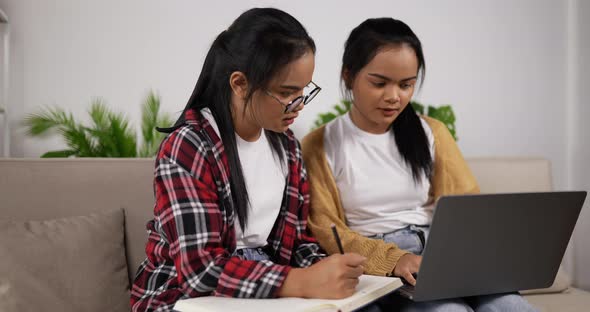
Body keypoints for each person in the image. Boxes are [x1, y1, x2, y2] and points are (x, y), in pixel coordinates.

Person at [130, 8, 365, 312]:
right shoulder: (188, 147)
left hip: (267, 284)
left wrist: (330, 269)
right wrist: (302, 281)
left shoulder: (287, 146)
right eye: (287, 92)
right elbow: (200, 270)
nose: (299, 106)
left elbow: (297, 243)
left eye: (304, 91)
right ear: (239, 84)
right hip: (184, 297)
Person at [302, 17, 537, 311]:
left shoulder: (432, 132)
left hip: (444, 256)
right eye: (379, 83)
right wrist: (394, 259)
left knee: (514, 307)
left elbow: (465, 208)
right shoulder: (319, 145)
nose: (393, 97)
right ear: (348, 76)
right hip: (381, 267)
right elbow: (326, 231)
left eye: (406, 85)